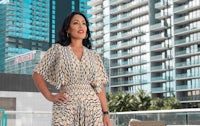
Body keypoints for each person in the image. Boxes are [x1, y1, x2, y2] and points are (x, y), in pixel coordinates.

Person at [32, 11, 111, 126]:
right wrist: (50, 96)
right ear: (68, 29)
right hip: (65, 106)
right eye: (76, 23)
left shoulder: (94, 56)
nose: (81, 26)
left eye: (84, 23)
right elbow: (37, 74)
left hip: (93, 109)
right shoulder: (58, 50)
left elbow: (99, 86)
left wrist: (106, 113)